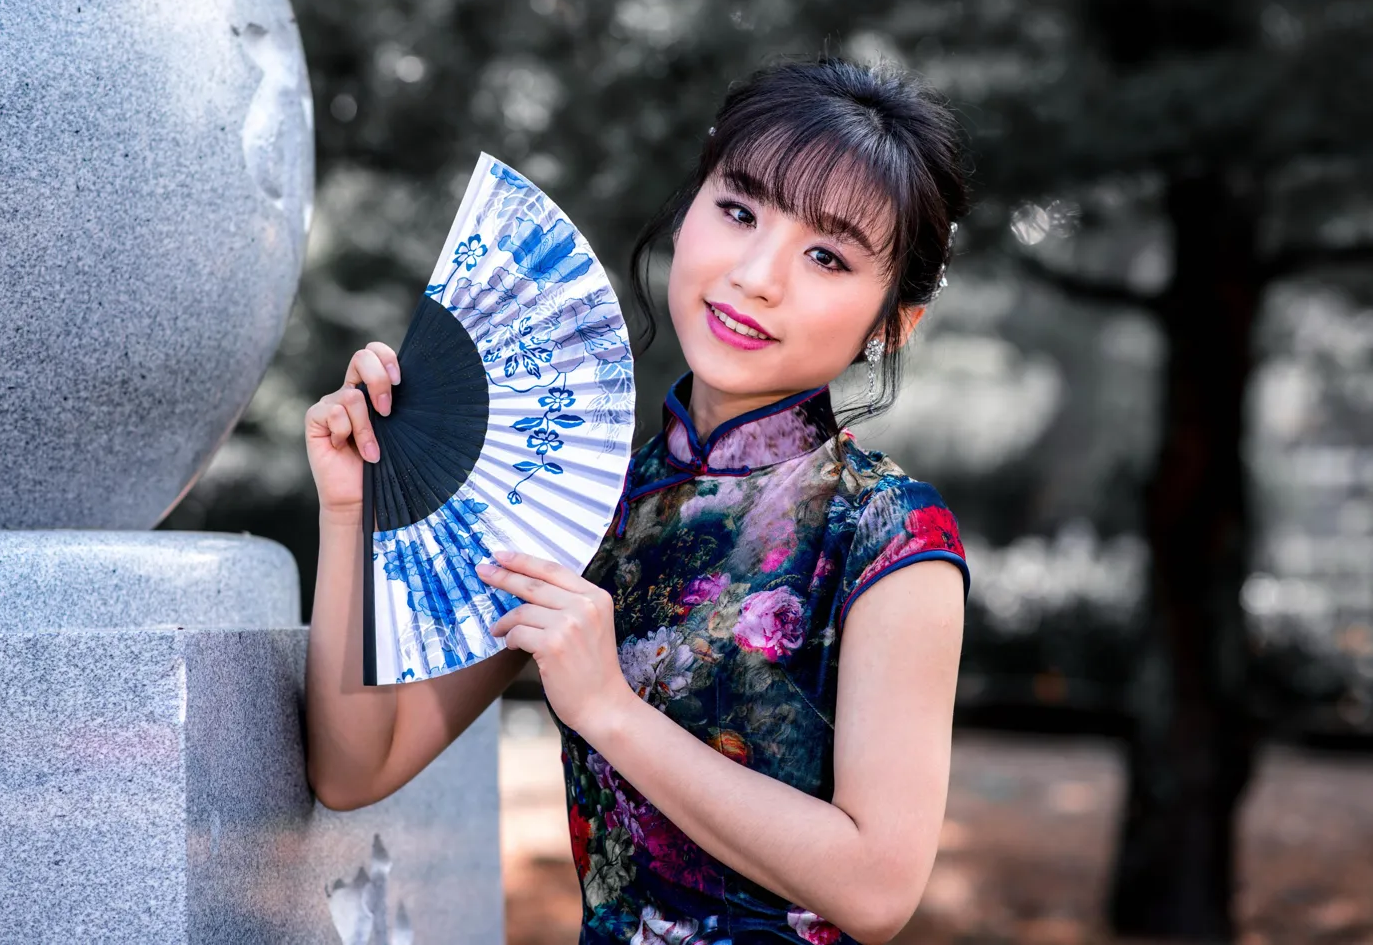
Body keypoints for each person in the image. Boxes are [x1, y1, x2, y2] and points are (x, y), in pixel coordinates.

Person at [302, 55, 972, 945]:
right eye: (738, 210)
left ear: (892, 322)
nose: (757, 274)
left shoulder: (889, 533)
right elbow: (358, 766)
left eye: (826, 255)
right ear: (689, 210)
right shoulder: (581, 501)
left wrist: (609, 707)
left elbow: (878, 888)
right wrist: (353, 513)